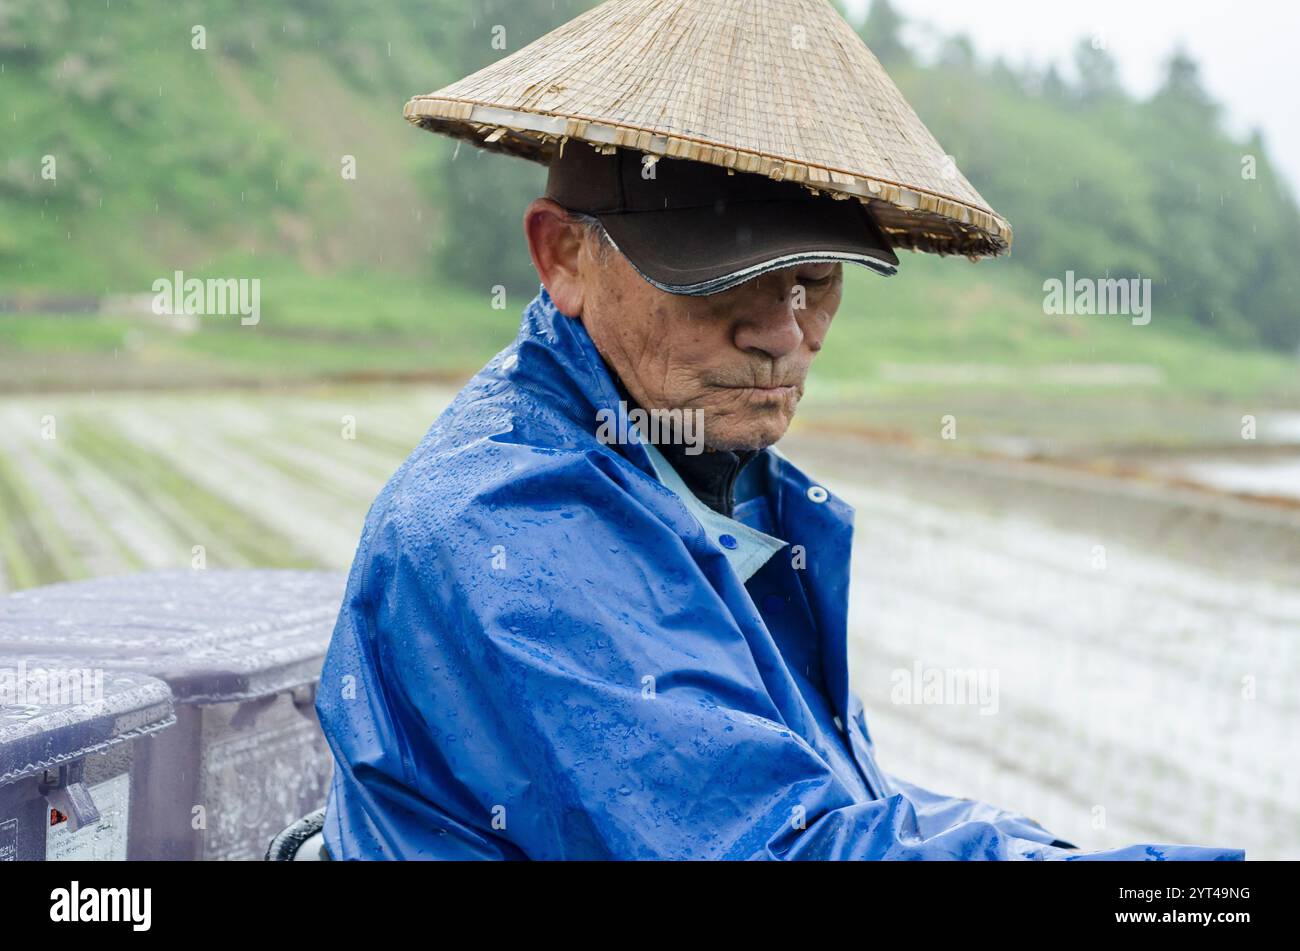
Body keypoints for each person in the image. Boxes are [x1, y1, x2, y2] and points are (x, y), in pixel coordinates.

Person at [315, 0, 1242, 860]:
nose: (785, 333)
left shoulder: (710, 472)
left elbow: (825, 794)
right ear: (565, 254)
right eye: (722, 276)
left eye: (819, 281)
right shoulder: (506, 525)